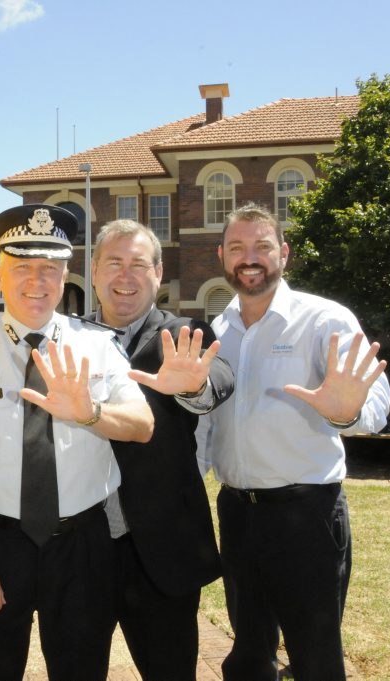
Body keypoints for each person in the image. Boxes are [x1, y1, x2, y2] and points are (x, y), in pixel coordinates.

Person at [132, 203, 390, 681]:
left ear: (284, 254)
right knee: (249, 654)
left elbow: (374, 405)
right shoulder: (218, 330)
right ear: (221, 257)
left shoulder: (325, 320)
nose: (249, 258)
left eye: (262, 247)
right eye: (237, 248)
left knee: (315, 656)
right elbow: (208, 424)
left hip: (307, 515)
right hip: (238, 514)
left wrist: (345, 412)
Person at [0, 204, 155, 681]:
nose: (37, 281)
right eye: (22, 268)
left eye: (50, 268)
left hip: (82, 546)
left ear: (65, 275)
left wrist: (90, 413)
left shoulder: (98, 345)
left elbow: (142, 425)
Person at [88, 219, 235, 681]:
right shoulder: (66, 339)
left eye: (138, 264)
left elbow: (218, 378)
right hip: (83, 548)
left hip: (162, 551)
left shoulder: (183, 334)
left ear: (158, 273)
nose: (125, 276)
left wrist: (194, 387)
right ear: (93, 271)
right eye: (114, 262)